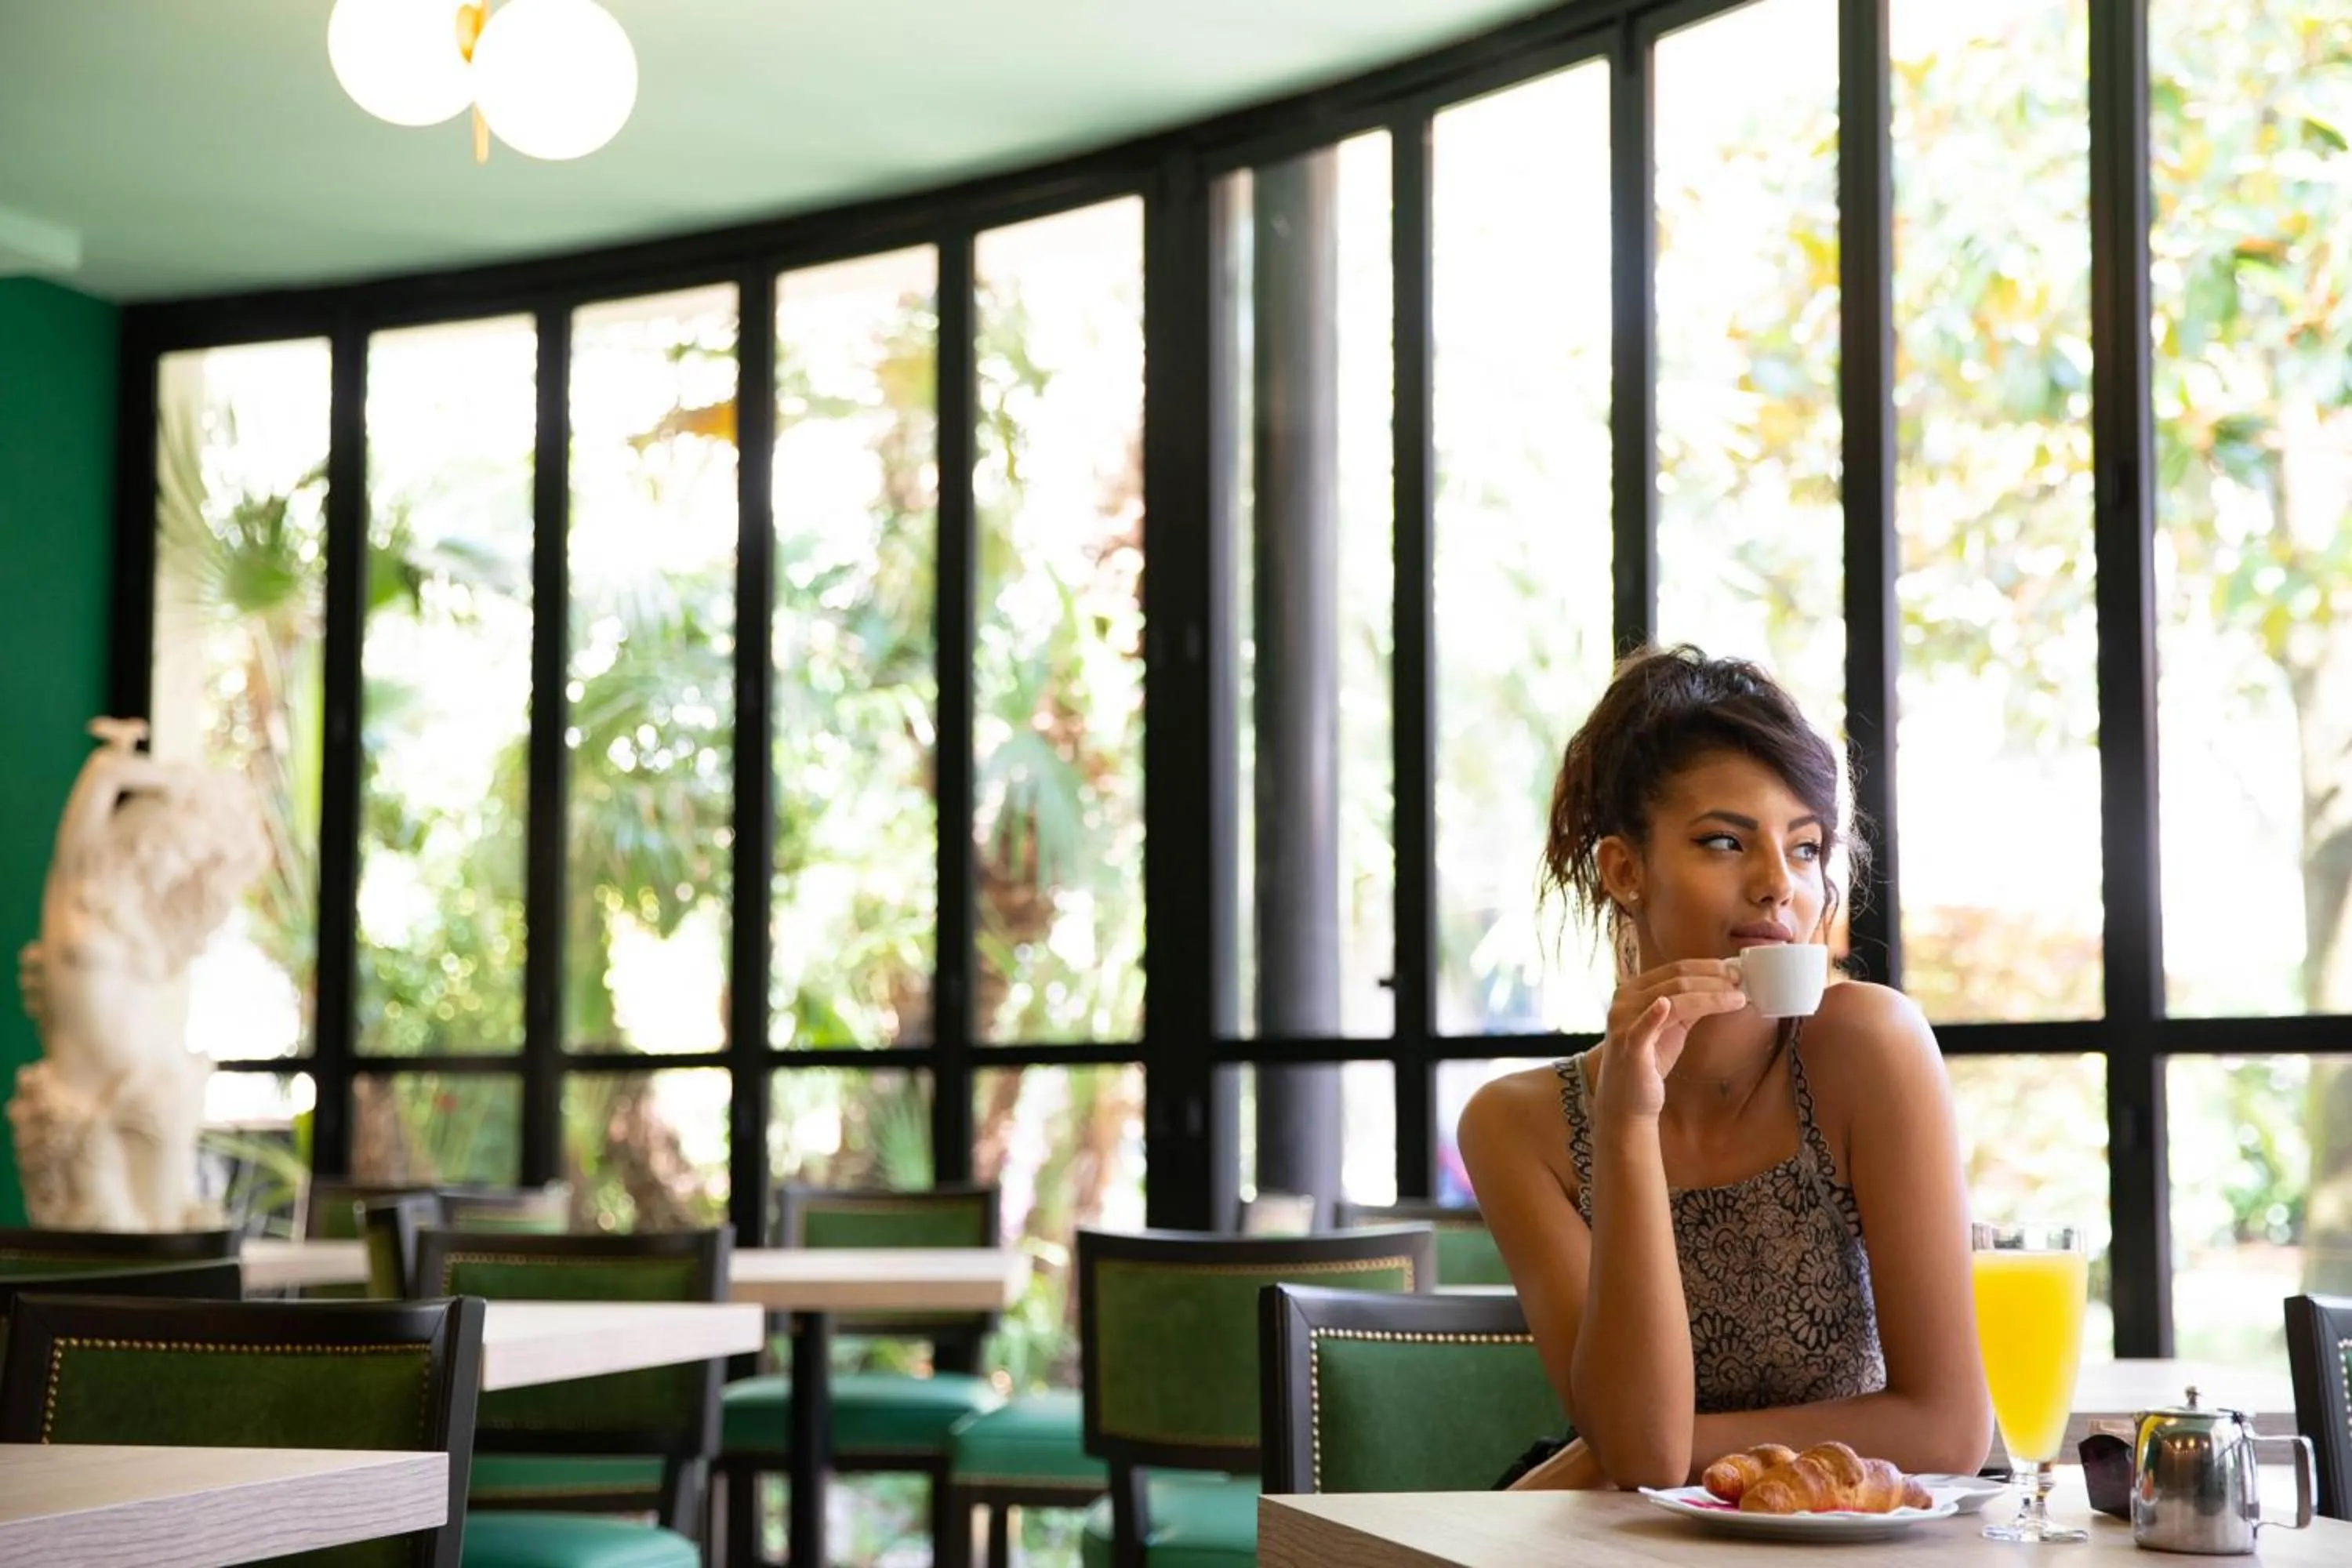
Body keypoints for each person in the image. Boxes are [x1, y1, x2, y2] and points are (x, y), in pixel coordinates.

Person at [1457, 645, 1992, 1490]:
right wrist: (1628, 1119)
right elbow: (1641, 1456)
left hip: (1826, 1529)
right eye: (1723, 841)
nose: (1780, 884)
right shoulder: (1519, 1125)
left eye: (1807, 847)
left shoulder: (1868, 1048)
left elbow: (1949, 1425)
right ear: (1625, 870)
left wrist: (1660, 1445)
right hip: (1611, 1537)